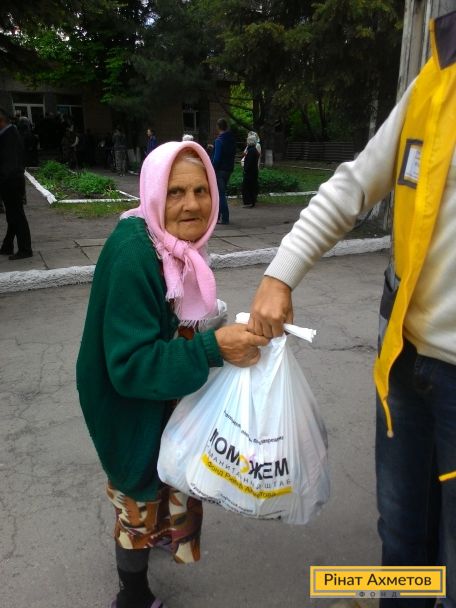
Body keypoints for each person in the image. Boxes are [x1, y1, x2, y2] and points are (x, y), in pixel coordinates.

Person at [249, 10, 455, 608]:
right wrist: (279, 274)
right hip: (406, 364)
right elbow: (354, 184)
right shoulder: (439, 75)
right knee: (402, 537)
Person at [76, 140, 268, 608]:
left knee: (168, 477)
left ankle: (160, 531)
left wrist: (209, 335)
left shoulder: (175, 248)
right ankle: (132, 595)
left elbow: (174, 323)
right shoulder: (134, 255)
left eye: (202, 190)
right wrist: (211, 348)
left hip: (161, 398)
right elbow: (131, 366)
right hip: (127, 406)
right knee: (137, 501)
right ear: (154, 194)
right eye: (176, 192)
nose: (192, 205)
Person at [0, 107, 33, 260]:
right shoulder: (9, 133)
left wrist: (4, 180)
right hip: (11, 180)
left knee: (17, 215)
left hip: (10, 181)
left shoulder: (10, 135)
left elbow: (10, 163)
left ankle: (25, 249)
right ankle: (7, 245)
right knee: (13, 215)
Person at [211, 118, 236, 225]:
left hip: (220, 170)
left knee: (220, 194)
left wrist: (212, 168)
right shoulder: (231, 139)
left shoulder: (219, 140)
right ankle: (217, 217)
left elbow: (217, 159)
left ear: (218, 127)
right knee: (221, 193)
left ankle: (224, 218)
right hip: (229, 169)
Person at [242, 133, 260, 209]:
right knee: (251, 187)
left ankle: (249, 202)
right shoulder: (254, 150)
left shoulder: (251, 151)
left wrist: (245, 169)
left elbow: (249, 162)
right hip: (253, 171)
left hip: (250, 172)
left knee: (247, 187)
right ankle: (251, 202)